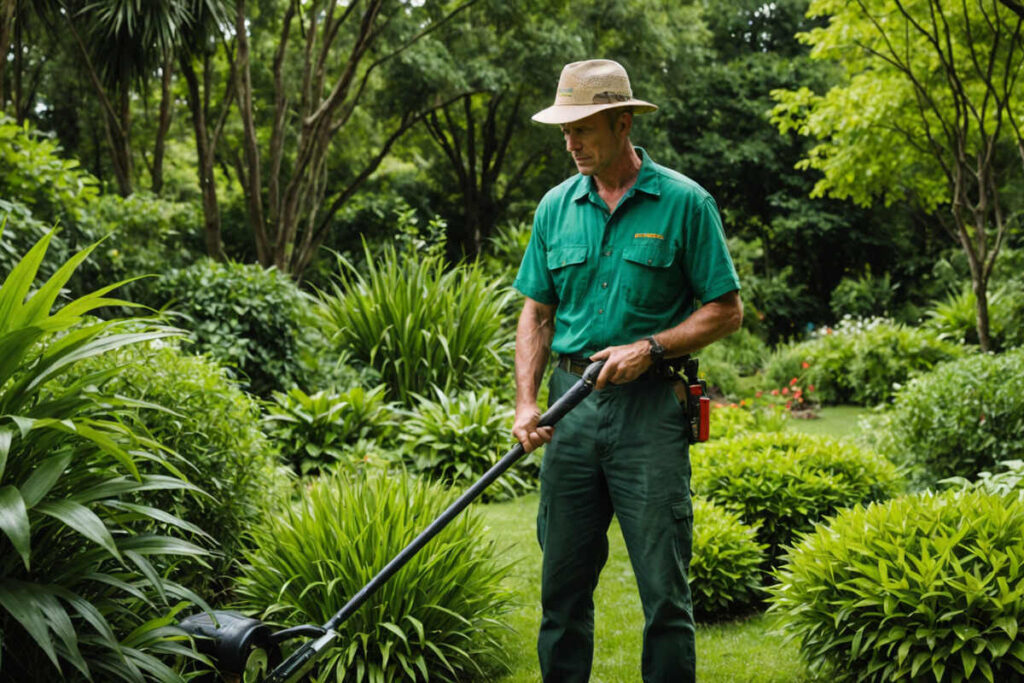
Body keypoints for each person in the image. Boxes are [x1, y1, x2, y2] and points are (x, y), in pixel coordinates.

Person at [511, 59, 743, 683]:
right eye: (564, 130)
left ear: (621, 122)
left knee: (665, 596)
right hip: (570, 408)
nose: (570, 142)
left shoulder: (685, 203)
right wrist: (526, 404)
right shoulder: (555, 208)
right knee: (560, 591)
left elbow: (725, 311)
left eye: (582, 127)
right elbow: (536, 313)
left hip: (650, 411)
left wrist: (652, 348)